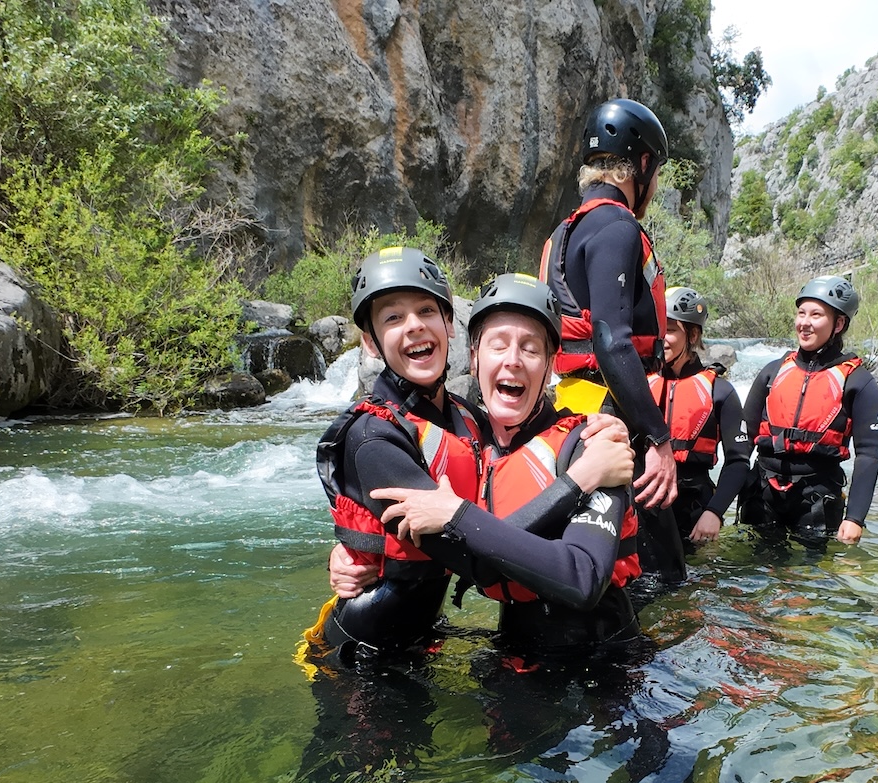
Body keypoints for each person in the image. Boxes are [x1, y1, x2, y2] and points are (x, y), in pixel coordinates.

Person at [312, 248, 633, 664]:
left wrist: (619, 430)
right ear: (370, 342)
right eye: (393, 317)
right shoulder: (374, 436)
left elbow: (575, 568)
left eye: (426, 310)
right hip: (366, 650)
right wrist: (580, 481)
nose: (413, 326)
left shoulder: (473, 422)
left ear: (448, 325)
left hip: (578, 654)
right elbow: (477, 560)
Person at [540, 97, 688, 583]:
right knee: (662, 573)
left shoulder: (564, 232)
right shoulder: (617, 224)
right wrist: (658, 440)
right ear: (641, 164)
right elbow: (612, 341)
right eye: (656, 171)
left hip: (570, 412)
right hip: (611, 418)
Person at [740, 276, 878, 550]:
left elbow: (869, 455)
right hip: (762, 493)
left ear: (839, 323)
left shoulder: (858, 381)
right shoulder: (772, 371)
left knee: (808, 585)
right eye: (801, 313)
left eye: (816, 315)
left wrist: (855, 518)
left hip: (816, 498)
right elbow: (743, 441)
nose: (804, 323)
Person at [651, 286, 750, 549]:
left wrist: (715, 512)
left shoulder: (721, 391)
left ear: (692, 334)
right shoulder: (639, 385)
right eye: (659, 328)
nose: (662, 338)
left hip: (694, 509)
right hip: (645, 504)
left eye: (670, 330)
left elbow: (739, 461)